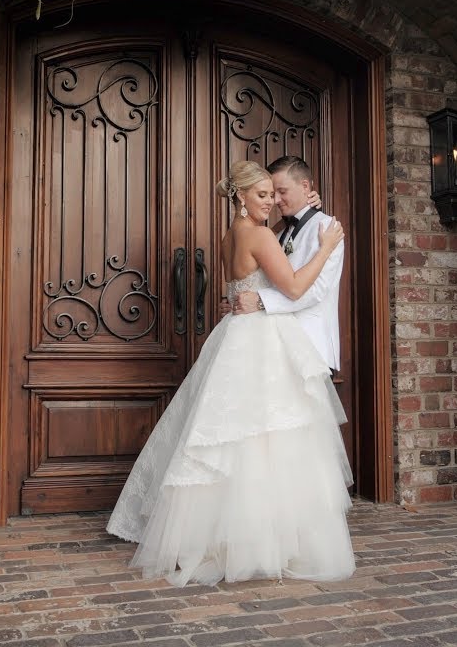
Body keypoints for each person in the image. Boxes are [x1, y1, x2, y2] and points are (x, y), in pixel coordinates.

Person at [106, 159, 356, 587]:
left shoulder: (235, 234)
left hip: (238, 335)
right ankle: (262, 539)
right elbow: (294, 287)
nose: (273, 201)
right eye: (263, 194)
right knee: (266, 438)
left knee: (234, 437)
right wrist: (329, 246)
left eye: (276, 193)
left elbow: (253, 284)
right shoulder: (262, 234)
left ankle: (224, 536)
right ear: (241, 196)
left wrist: (259, 292)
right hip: (263, 341)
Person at [231, 156, 342, 373]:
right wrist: (239, 300)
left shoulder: (327, 228)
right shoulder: (277, 230)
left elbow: (316, 289)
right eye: (272, 193)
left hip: (310, 345)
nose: (275, 200)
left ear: (305, 186)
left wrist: (260, 302)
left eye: (282, 191)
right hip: (275, 345)